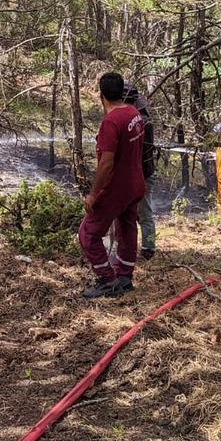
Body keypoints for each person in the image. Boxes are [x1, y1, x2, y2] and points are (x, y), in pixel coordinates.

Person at [78, 72, 146, 299]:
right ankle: (125, 276)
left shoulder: (111, 122)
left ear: (101, 96)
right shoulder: (134, 114)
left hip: (116, 189)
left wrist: (93, 194)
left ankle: (107, 281)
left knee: (88, 233)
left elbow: (107, 163)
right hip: (135, 184)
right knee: (127, 227)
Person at [123, 84, 156, 259]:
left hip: (144, 173)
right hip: (139, 173)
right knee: (136, 213)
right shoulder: (141, 120)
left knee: (144, 213)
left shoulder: (142, 122)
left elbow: (139, 152)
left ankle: (149, 248)